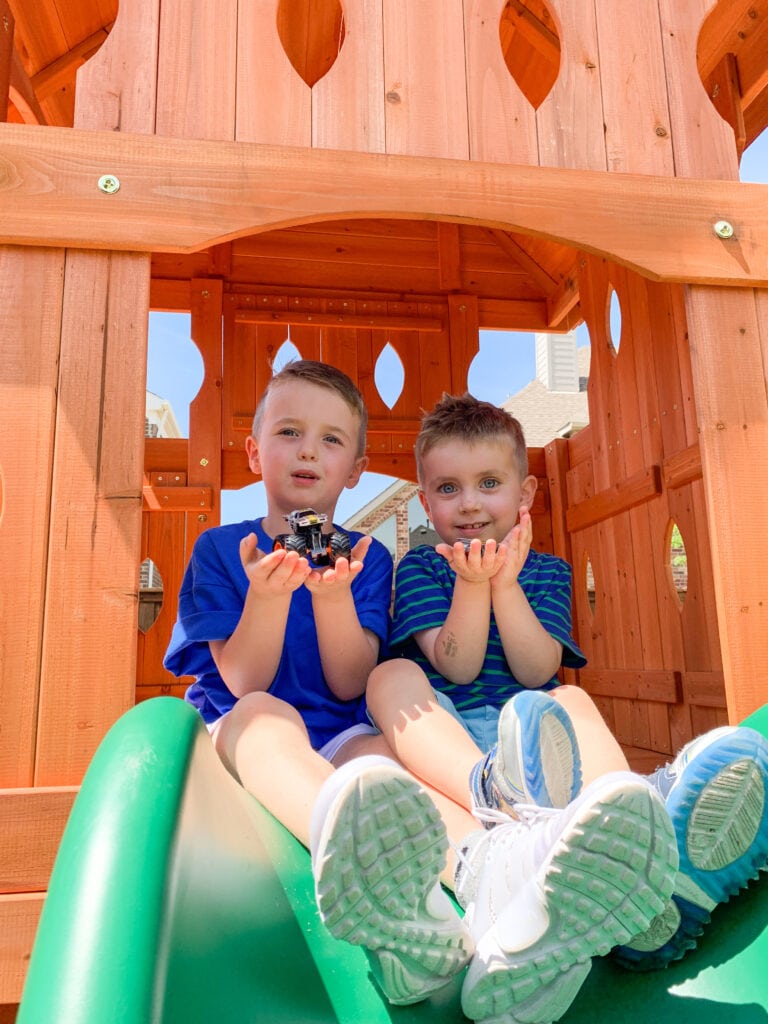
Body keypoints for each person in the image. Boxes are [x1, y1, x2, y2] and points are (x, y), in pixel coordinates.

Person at [163, 362, 677, 1024]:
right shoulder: (221, 550)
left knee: (382, 771)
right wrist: (265, 598)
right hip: (242, 733)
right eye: (290, 433)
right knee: (266, 718)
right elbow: (242, 684)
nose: (309, 451)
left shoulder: (367, 560)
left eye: (331, 440)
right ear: (256, 452)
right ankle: (363, 863)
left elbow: (350, 681)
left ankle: (482, 873)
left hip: (340, 728)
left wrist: (330, 597)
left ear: (355, 468)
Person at [365, 391, 768, 980]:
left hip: (542, 745)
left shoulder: (546, 571)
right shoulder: (423, 568)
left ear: (524, 494)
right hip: (457, 746)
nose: (470, 503)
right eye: (448, 489)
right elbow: (456, 665)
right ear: (426, 501)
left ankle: (640, 833)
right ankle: (510, 806)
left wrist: (506, 584)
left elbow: (536, 669)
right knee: (390, 676)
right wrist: (473, 585)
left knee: (568, 695)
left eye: (488, 483)